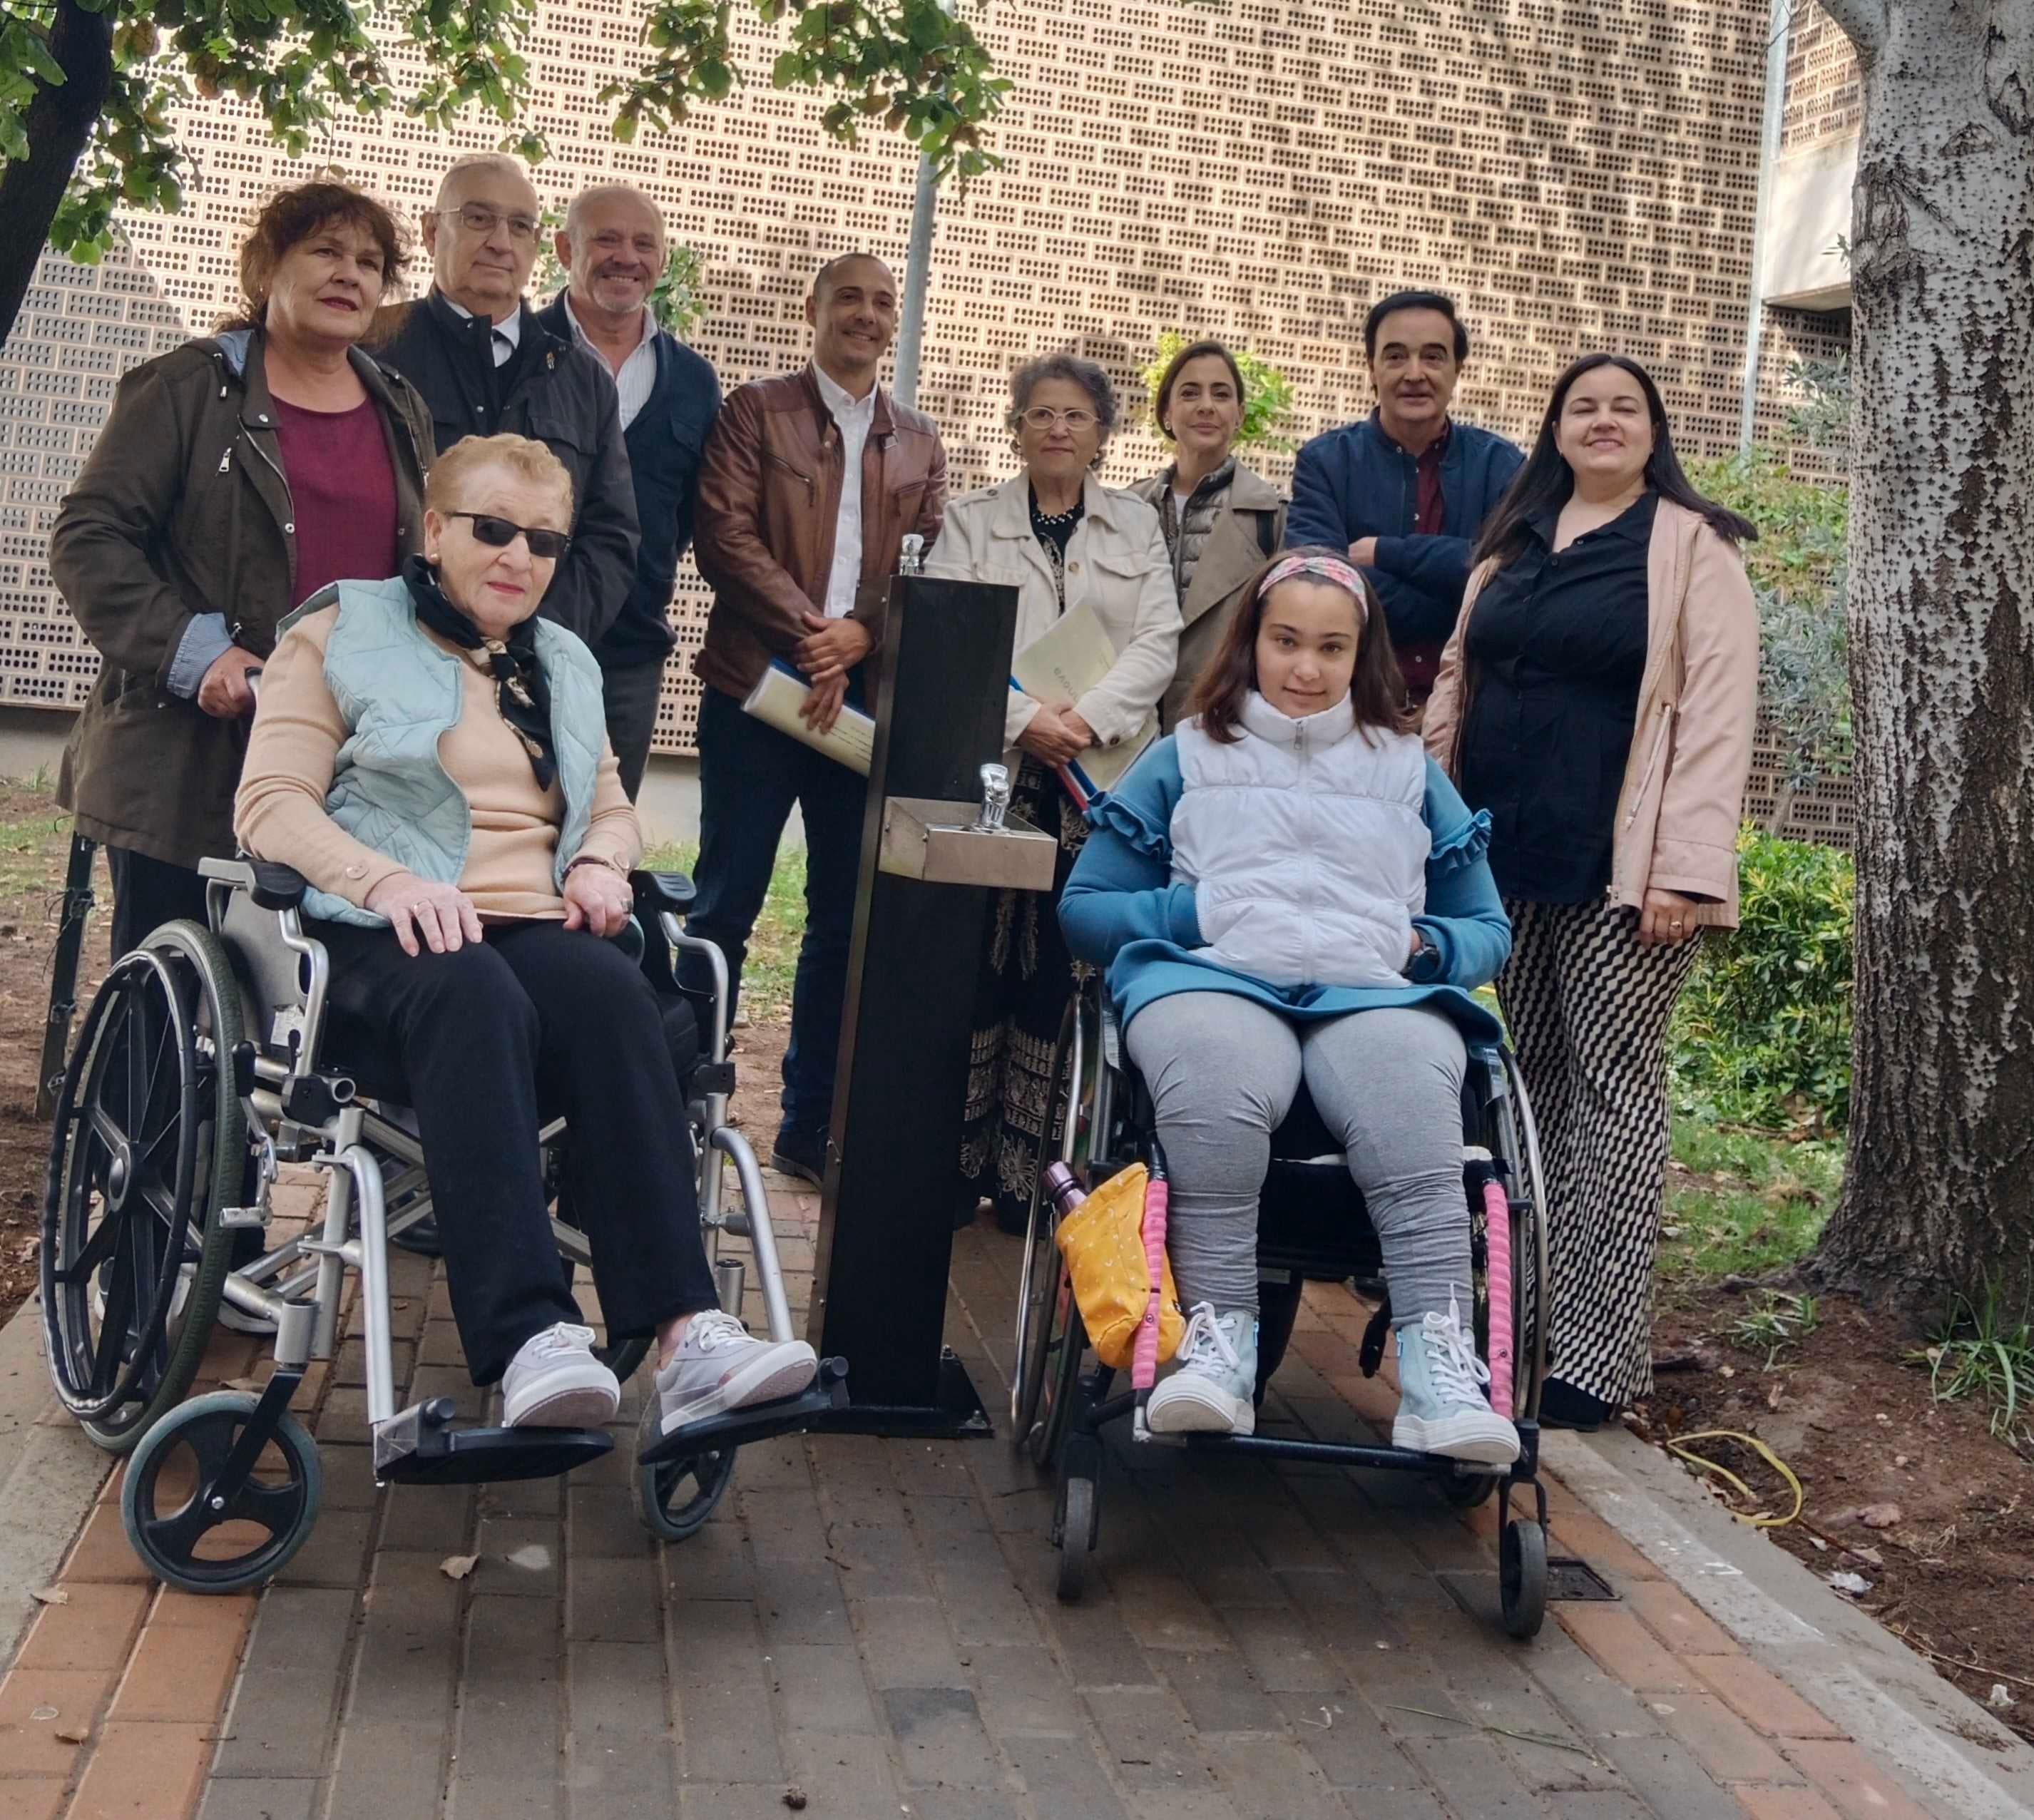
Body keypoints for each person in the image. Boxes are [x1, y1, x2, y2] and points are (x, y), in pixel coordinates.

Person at [233, 433, 817, 1434]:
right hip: (377, 934)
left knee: (609, 994)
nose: (520, 557)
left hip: (525, 921)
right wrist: (388, 883)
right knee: (476, 994)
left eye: (543, 541)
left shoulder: (563, 659)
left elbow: (609, 804)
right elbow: (270, 803)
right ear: (432, 530)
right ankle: (531, 1337)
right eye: (493, 529)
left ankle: (687, 1337)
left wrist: (598, 859)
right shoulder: (341, 630)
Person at [1059, 550, 1516, 1458]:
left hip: (1367, 990)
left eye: (1330, 648)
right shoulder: (1183, 754)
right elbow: (1085, 908)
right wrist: (1196, 911)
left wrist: (1423, 945)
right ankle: (1218, 1353)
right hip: (1216, 978)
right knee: (1215, 1094)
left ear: (1362, 656)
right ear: (1251, 643)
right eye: (1285, 642)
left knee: (1412, 1115)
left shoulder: (1406, 768)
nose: (1305, 669)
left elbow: (1486, 928)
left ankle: (1437, 1372)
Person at [1424, 353, 1759, 1433]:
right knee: (1530, 1099)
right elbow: (1453, 686)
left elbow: (1717, 719)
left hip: (1624, 875)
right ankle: (1526, 1321)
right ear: (1554, 431)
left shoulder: (1690, 550)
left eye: (1626, 408)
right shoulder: (1510, 546)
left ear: (1653, 430)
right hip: (1501, 861)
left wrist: (1688, 871)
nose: (1604, 422)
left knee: (1612, 1102)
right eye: (1584, 408)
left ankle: (1598, 1359)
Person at [49, 179, 435, 960]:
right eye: (324, 251)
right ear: (267, 269)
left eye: (369, 262)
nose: (349, 274)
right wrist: (199, 655)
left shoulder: (400, 406)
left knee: (310, 999)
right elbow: (89, 537)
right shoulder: (186, 389)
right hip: (190, 752)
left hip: (346, 755)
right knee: (175, 989)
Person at [688, 252, 946, 1184]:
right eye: (850, 298)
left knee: (843, 921)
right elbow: (723, 533)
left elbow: (923, 561)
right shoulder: (755, 411)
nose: (868, 315)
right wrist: (815, 637)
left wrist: (863, 639)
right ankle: (689, 1109)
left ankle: (808, 1125)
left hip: (854, 715)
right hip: (755, 694)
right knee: (724, 903)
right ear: (814, 308)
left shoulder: (918, 440)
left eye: (884, 302)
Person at [927, 353, 1179, 1229]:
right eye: (1040, 413)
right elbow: (953, 633)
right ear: (1018, 426)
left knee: (1063, 971)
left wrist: (1086, 719)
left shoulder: (1134, 527)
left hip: (1095, 776)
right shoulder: (970, 522)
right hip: (1001, 774)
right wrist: (1023, 719)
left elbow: (1158, 640)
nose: (1057, 429)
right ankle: (956, 1170)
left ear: (1103, 432)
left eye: (1075, 415)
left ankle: (1038, 1179)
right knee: (976, 967)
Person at [375, 153, 640, 647]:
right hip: (390, 647)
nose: (500, 243)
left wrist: (533, 639)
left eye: (520, 227)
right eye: (478, 219)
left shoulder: (582, 380)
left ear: (536, 246)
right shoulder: (373, 350)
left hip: (528, 666)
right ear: (433, 231)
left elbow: (611, 537)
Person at [538, 184, 722, 799]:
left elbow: (684, 517)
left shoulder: (695, 381)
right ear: (566, 248)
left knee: (602, 843)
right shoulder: (519, 353)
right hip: (515, 636)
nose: (627, 257)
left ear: (662, 261)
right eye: (607, 240)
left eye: (644, 243)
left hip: (630, 655)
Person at [1284, 290, 1524, 705]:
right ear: (1371, 368)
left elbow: (1513, 582)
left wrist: (1388, 555)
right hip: (1350, 705)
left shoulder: (1500, 467)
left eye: (1433, 357)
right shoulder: (1326, 463)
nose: (1415, 373)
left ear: (1457, 370)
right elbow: (1318, 583)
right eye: (1396, 356)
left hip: (1467, 710)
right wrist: (1457, 600)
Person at [1130, 339, 1287, 732]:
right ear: (1166, 413)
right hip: (1126, 725)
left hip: (1225, 725)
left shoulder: (1274, 519)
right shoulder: (1125, 509)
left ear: (1239, 414)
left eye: (1221, 394)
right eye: (1189, 393)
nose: (1206, 405)